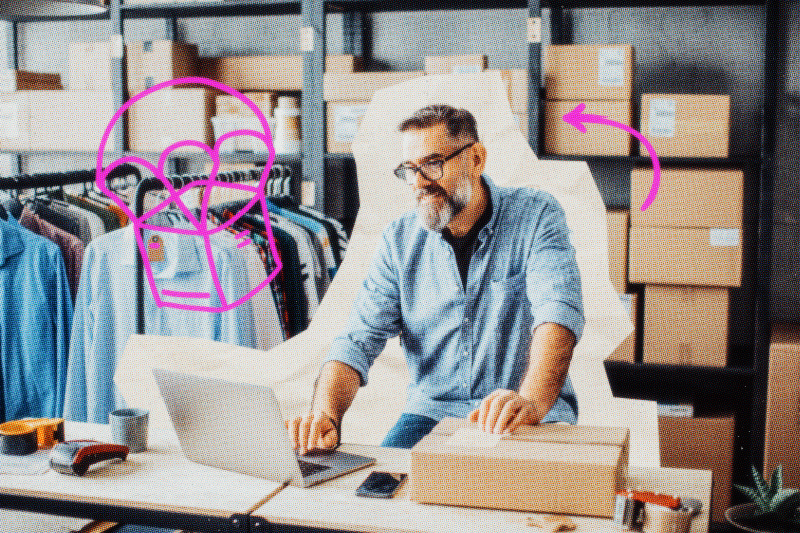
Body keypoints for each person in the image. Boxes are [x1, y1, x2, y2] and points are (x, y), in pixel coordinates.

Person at [289, 104, 583, 454]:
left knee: (518, 502)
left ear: (476, 159)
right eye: (410, 169)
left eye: (433, 164)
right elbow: (357, 342)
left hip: (520, 412)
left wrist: (532, 401)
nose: (420, 183)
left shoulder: (536, 215)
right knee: (379, 493)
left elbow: (558, 313)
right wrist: (326, 415)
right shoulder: (398, 242)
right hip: (430, 415)